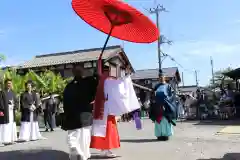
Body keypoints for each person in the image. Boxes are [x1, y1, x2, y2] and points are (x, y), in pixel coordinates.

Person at [91, 63, 139, 157]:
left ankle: (104, 148)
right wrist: (127, 76)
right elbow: (120, 87)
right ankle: (106, 149)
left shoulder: (102, 79)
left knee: (101, 129)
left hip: (100, 107)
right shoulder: (108, 80)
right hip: (107, 108)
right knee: (108, 129)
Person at [63, 64, 98, 160]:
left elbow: (66, 104)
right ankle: (82, 155)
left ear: (73, 73)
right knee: (84, 138)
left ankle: (75, 149)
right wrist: (96, 73)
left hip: (72, 117)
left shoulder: (68, 87)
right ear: (82, 72)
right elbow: (95, 91)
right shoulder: (89, 82)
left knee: (73, 137)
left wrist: (66, 118)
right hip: (85, 115)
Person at [149, 75, 177, 141]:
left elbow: (171, 95)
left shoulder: (168, 86)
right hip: (157, 106)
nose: (161, 79)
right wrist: (154, 95)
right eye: (160, 78)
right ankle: (159, 135)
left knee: (166, 121)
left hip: (166, 105)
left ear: (165, 79)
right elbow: (152, 94)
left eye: (162, 78)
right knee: (158, 121)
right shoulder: (156, 86)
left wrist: (166, 99)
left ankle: (166, 135)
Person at [0, 79, 19, 145]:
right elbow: (0, 102)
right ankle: (4, 140)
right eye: (8, 83)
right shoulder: (2, 92)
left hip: (12, 111)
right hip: (5, 111)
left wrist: (16, 108)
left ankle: (11, 139)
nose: (9, 85)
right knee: (5, 125)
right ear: (5, 84)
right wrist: (1, 110)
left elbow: (16, 101)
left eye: (10, 83)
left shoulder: (13, 92)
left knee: (11, 124)